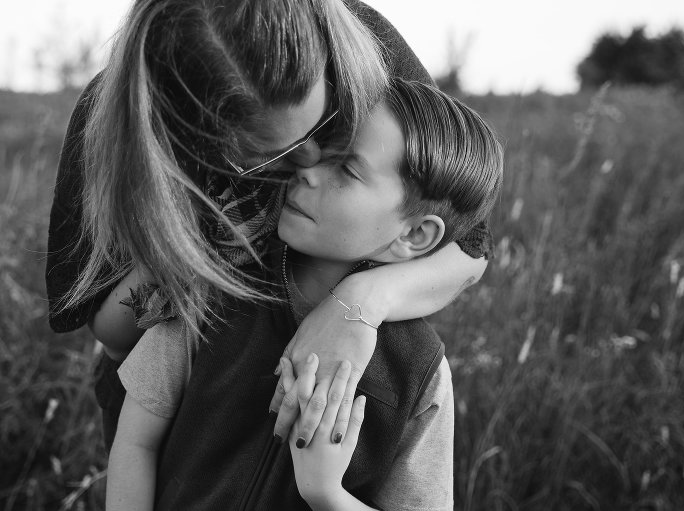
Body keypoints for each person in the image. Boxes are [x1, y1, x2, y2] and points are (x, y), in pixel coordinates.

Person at [45, 0, 494, 453]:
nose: (309, 161)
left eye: (325, 127)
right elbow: (109, 330)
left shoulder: (365, 42)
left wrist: (356, 306)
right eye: (268, 154)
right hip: (166, 413)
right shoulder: (116, 117)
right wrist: (193, 243)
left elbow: (470, 241)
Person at [107, 77, 504, 511]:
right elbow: (136, 444)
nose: (307, 170)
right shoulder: (215, 292)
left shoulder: (418, 371)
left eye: (348, 169)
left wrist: (327, 494)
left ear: (415, 234)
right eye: (320, 147)